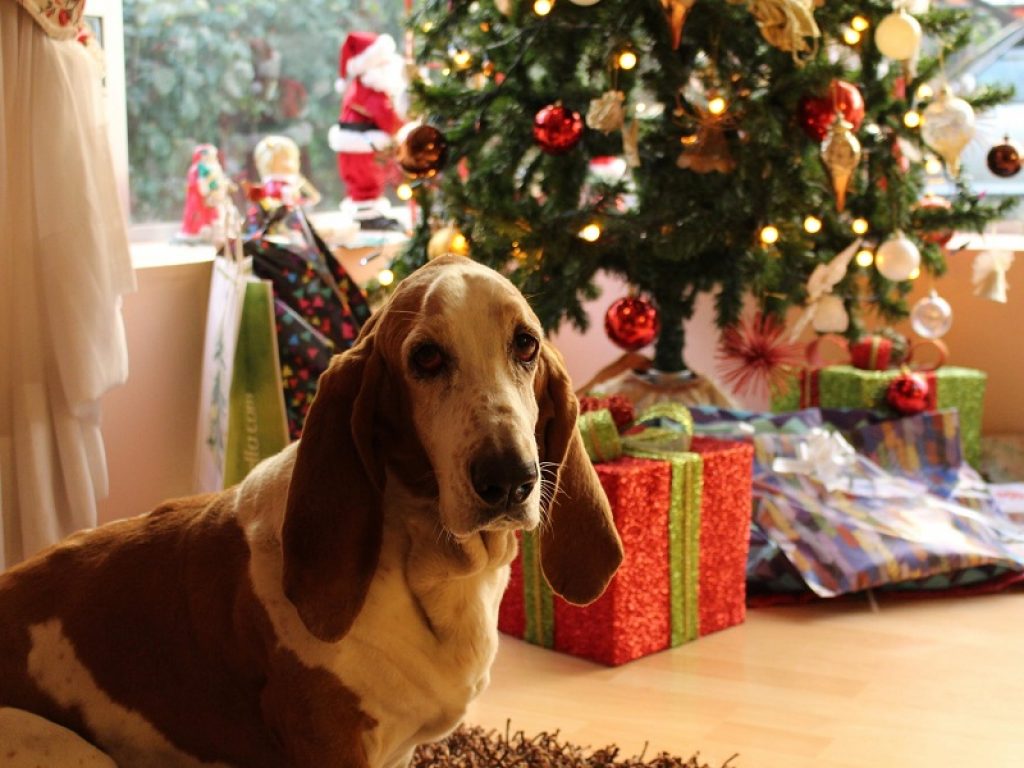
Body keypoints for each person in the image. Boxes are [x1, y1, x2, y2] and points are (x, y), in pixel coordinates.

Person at [327, 31, 408, 231]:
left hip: (359, 147)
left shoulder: (361, 86)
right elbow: (387, 118)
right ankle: (368, 218)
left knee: (366, 183)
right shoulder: (369, 89)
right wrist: (403, 125)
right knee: (367, 181)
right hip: (362, 150)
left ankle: (369, 214)